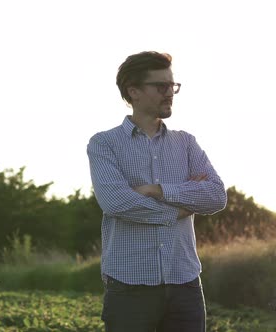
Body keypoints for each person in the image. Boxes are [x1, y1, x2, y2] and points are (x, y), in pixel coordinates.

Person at [87, 51, 227, 332]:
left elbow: (216, 195)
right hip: (129, 289)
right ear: (134, 91)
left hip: (185, 284)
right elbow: (116, 203)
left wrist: (158, 190)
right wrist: (180, 207)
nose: (170, 93)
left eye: (172, 86)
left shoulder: (186, 143)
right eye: (161, 86)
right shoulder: (104, 144)